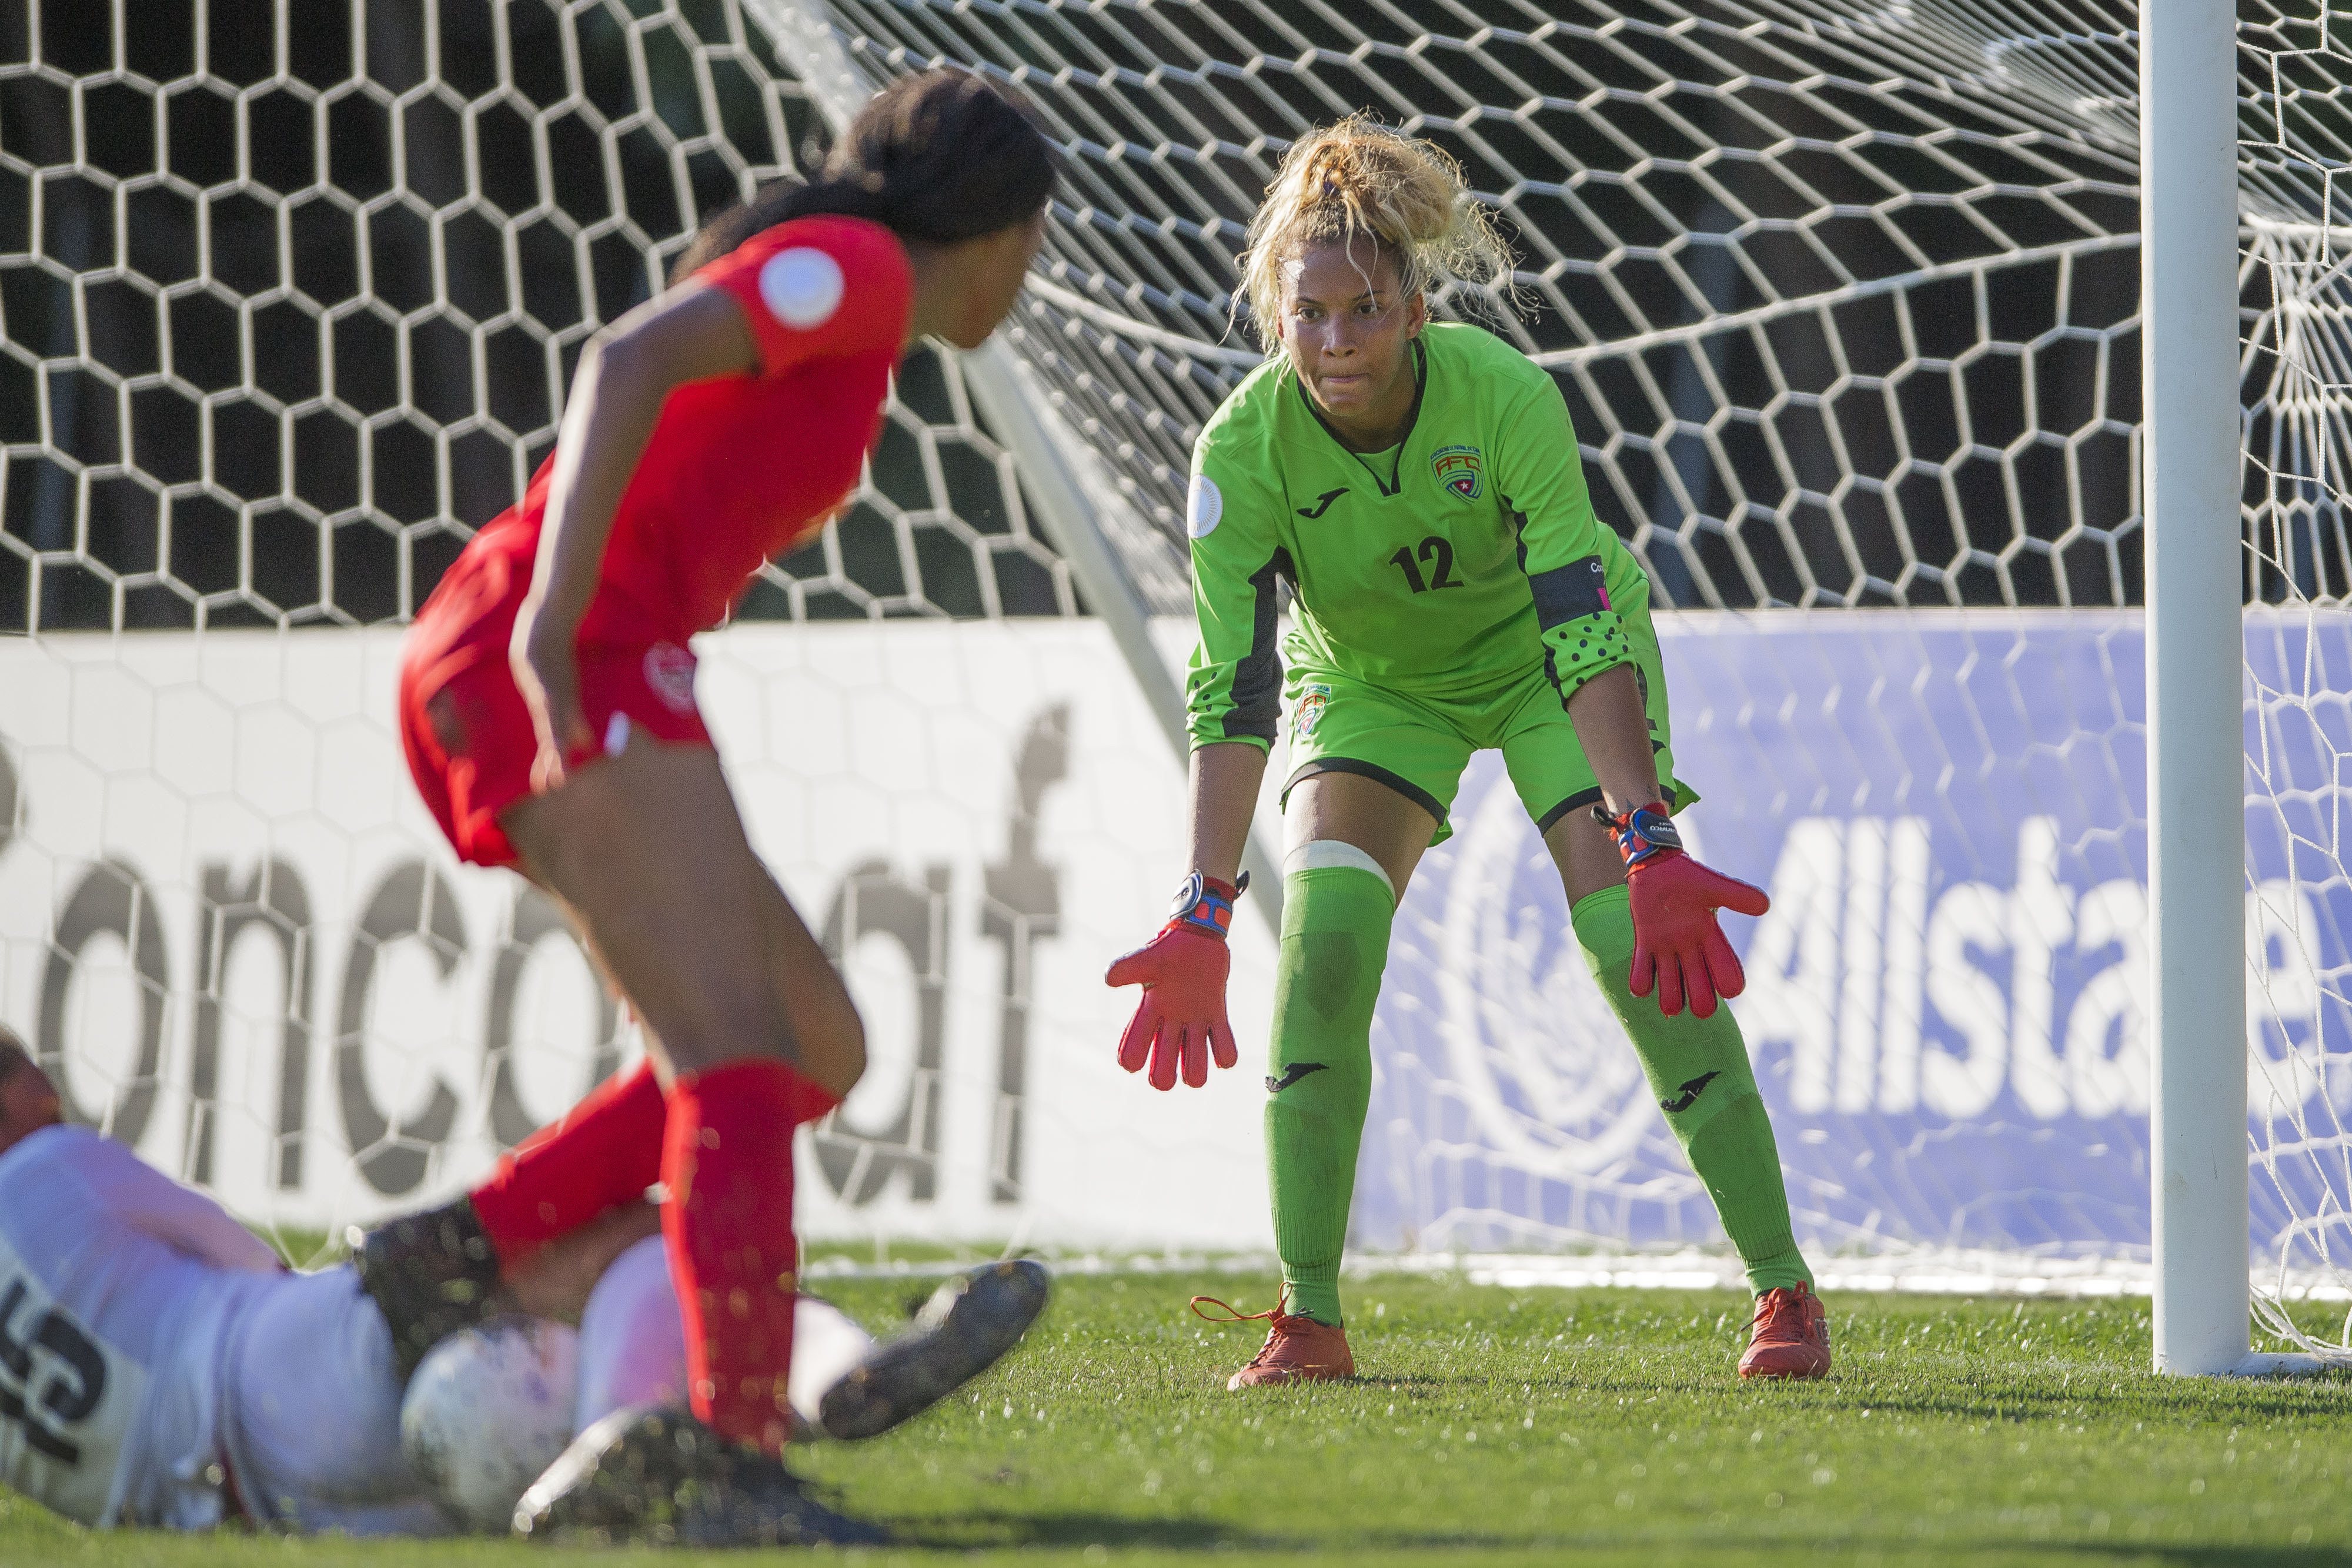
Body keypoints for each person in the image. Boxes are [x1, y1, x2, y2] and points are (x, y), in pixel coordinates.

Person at [350, 68, 1058, 1544]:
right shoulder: (862, 269)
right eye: (1034, 244)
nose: (1030, 277)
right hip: (559, 648)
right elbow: (625, 358)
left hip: (586, 650)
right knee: (735, 1049)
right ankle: (722, 1445)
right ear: (994, 232)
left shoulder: (860, 304)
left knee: (809, 1041)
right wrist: (551, 628)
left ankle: (458, 1251)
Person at [1106, 116, 1832, 1389]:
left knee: (1625, 940)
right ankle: (1309, 1316)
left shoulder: (1504, 396)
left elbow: (1578, 617)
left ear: (1414, 304)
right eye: (1307, 312)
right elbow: (1231, 690)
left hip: (1547, 664)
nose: (1332, 342)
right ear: (1276, 310)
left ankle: (1783, 1287)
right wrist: (1202, 903)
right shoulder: (1236, 451)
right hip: (1373, 685)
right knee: (1323, 945)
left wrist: (1644, 834)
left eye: (1361, 310)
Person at [0, 1035, 1035, 1536]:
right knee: (666, 1234)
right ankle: (832, 1380)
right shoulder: (43, 1168)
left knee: (604, 1334)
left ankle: (640, 1453)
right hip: (277, 1373)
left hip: (259, 1517)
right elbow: (252, 1267)